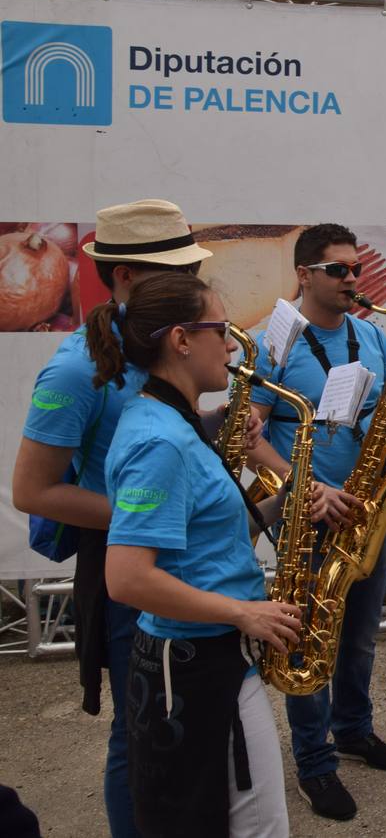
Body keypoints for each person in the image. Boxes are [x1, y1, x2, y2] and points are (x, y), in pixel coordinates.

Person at [11, 199, 214, 838]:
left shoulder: (163, 344)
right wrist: (150, 520)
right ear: (122, 277)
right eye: (171, 272)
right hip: (129, 568)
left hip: (179, 558)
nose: (189, 286)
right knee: (140, 736)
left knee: (188, 724)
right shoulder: (74, 368)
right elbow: (33, 491)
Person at [95, 272, 298, 837]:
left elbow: (209, 536)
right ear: (182, 340)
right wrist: (243, 612)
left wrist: (294, 495)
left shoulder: (174, 422)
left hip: (208, 659)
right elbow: (127, 579)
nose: (231, 344)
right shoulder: (161, 439)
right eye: (220, 329)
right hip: (199, 666)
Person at [245, 224, 386, 820]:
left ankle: (354, 730)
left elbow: (385, 412)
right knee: (310, 643)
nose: (352, 280)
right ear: (304, 274)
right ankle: (315, 764)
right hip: (308, 517)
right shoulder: (273, 342)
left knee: (360, 638)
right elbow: (248, 442)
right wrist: (307, 487)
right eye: (337, 270)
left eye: (355, 270)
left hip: (368, 509)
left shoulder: (371, 334)